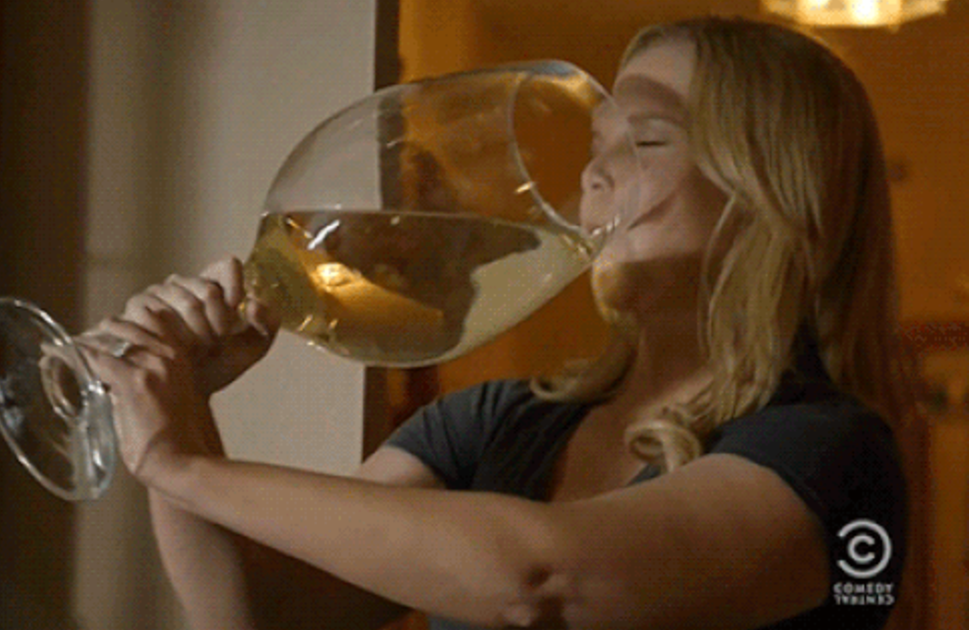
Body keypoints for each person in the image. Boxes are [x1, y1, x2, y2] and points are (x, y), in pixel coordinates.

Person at [81, 16, 913, 630]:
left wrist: (182, 463)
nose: (594, 173)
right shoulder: (492, 424)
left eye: (646, 140)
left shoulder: (832, 455)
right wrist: (184, 411)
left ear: (772, 191)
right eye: (598, 143)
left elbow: (543, 581)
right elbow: (262, 615)